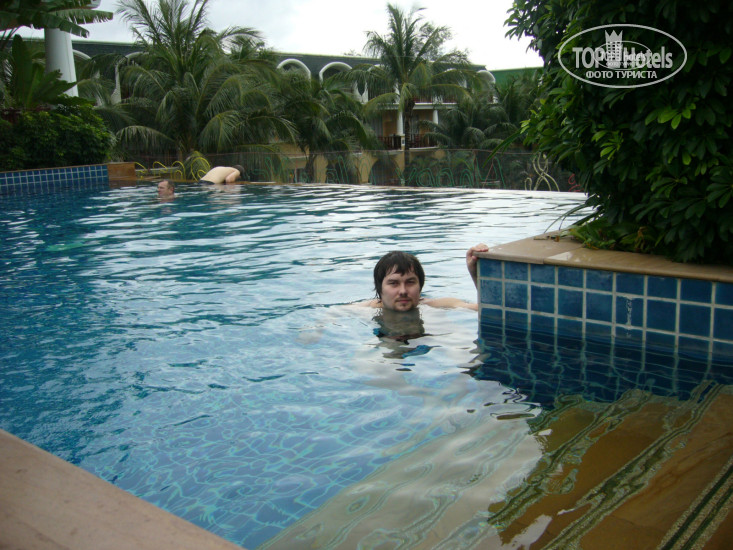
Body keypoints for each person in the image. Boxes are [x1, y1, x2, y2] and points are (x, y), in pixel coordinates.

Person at [361, 244, 489, 311]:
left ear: (420, 286)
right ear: (380, 289)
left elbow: (485, 309)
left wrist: (476, 274)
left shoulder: (435, 306)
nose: (403, 291)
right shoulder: (364, 310)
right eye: (394, 283)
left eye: (410, 282)